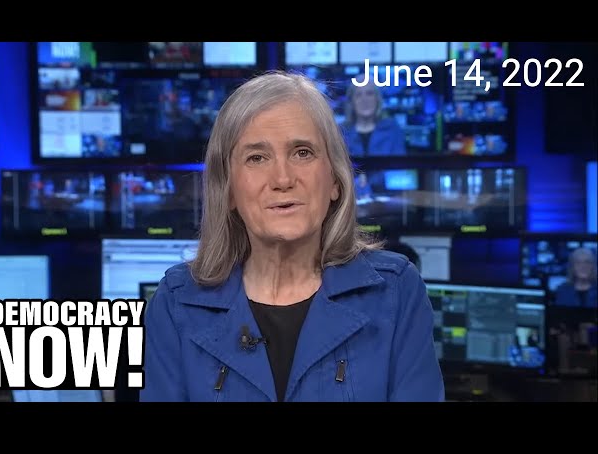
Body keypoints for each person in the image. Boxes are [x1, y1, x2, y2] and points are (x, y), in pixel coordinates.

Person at [140, 71, 444, 402]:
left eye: (302, 153)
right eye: (257, 158)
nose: (282, 179)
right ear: (228, 190)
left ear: (335, 180)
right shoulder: (176, 304)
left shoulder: (396, 293)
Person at [341, 81, 406, 157]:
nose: (364, 100)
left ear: (377, 100)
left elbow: (400, 163)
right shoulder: (340, 133)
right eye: (358, 95)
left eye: (369, 94)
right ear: (351, 102)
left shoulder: (393, 129)